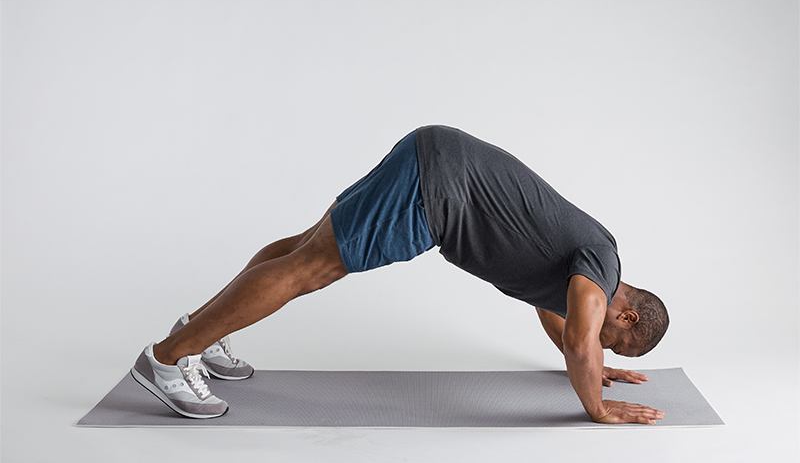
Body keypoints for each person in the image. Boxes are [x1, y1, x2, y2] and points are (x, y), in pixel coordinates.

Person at [131, 125, 669, 424]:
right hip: (438, 192)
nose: (603, 345)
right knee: (309, 270)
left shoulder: (585, 272)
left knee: (304, 248)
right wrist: (597, 407)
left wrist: (592, 364)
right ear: (625, 313)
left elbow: (560, 321)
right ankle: (167, 357)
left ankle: (202, 329)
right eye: (614, 343)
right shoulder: (602, 265)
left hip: (434, 156)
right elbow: (580, 337)